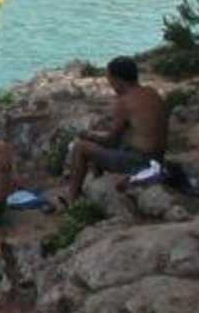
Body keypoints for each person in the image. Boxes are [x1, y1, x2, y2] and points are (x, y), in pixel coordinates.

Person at [59, 56, 171, 206]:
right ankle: (95, 181)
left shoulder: (124, 101)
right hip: (157, 158)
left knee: (80, 147)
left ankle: (71, 198)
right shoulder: (152, 93)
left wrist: (88, 135)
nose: (110, 84)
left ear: (118, 80)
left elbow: (111, 141)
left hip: (139, 161)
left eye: (110, 79)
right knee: (99, 139)